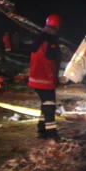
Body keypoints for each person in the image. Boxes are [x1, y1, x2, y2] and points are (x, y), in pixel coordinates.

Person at [28, 14, 62, 142]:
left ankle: (41, 131)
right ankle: (52, 135)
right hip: (45, 79)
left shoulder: (39, 38)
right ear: (57, 26)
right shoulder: (51, 41)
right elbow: (51, 61)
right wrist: (55, 79)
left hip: (36, 78)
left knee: (45, 105)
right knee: (49, 106)